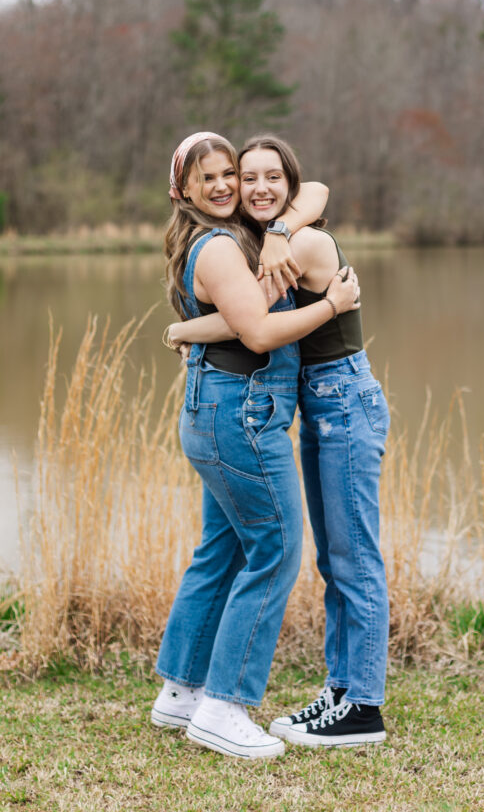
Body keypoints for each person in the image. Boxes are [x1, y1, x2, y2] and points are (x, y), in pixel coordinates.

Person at [168, 135, 390, 748]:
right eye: (249, 176)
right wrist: (181, 326)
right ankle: (341, 691)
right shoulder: (255, 240)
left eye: (274, 177)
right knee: (332, 558)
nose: (259, 187)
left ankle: (361, 706)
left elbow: (259, 326)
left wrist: (286, 232)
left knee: (352, 558)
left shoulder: (303, 241)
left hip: (344, 400)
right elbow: (247, 318)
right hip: (319, 407)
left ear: (290, 185)